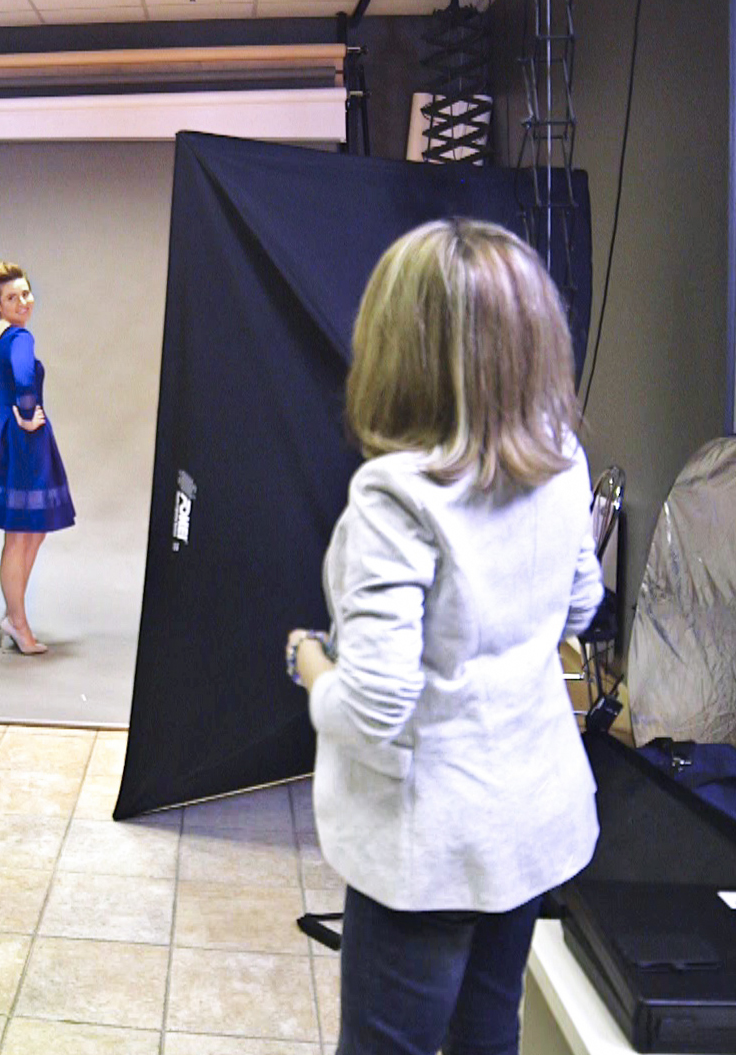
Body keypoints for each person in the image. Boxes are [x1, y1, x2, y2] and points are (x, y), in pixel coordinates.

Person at [287, 219, 604, 1055]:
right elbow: (581, 607)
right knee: (487, 1034)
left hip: (428, 843)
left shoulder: (398, 494)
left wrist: (310, 663)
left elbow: (375, 708)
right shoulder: (561, 456)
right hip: (527, 823)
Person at [0, 262, 75, 654]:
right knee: (20, 534)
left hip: (7, 435)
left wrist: (2, 409)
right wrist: (26, 415)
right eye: (12, 297)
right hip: (23, 440)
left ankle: (14, 615)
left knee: (32, 530)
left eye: (26, 293)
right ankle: (17, 622)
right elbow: (25, 377)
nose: (23, 302)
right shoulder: (20, 337)